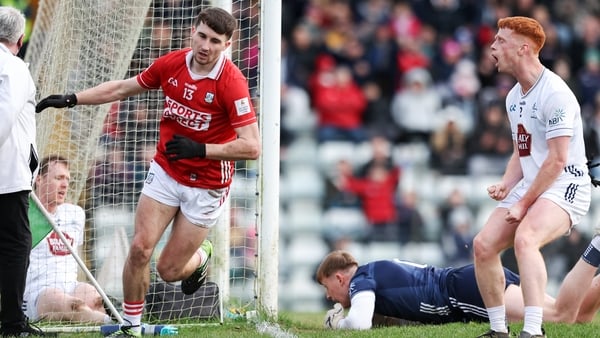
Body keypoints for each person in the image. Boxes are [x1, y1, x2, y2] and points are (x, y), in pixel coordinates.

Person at [36, 7, 260, 337]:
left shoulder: (232, 83)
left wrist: (201, 150)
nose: (205, 46)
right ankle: (132, 326)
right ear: (192, 32)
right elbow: (120, 89)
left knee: (168, 270)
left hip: (208, 184)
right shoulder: (171, 64)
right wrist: (72, 99)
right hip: (167, 171)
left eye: (215, 41)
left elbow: (252, 147)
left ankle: (201, 256)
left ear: (226, 46)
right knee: (140, 249)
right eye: (201, 36)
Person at [472, 16, 591, 338]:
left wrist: (522, 203)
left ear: (523, 48)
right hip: (534, 182)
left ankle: (534, 331)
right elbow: (521, 151)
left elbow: (557, 160)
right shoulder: (514, 96)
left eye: (500, 41)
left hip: (567, 182)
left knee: (526, 240)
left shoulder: (555, 95)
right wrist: (507, 183)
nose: (493, 47)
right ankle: (498, 330)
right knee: (482, 246)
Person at [316, 250, 600, 330]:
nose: (329, 296)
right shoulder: (373, 273)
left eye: (327, 287)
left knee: (560, 316)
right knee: (579, 317)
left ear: (340, 278)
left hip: (464, 292)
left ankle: (596, 247)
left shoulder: (361, 279)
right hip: (468, 282)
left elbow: (360, 324)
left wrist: (339, 323)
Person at [0, 6, 54, 337]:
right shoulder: (14, 69)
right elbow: (3, 117)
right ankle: (12, 323)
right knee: (16, 245)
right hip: (7, 177)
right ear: (20, 39)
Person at [24, 155, 112, 324]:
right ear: (39, 180)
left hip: (71, 284)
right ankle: (115, 324)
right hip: (39, 291)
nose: (65, 184)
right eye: (58, 178)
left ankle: (112, 319)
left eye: (67, 179)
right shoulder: (27, 215)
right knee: (75, 306)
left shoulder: (75, 214)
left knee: (97, 301)